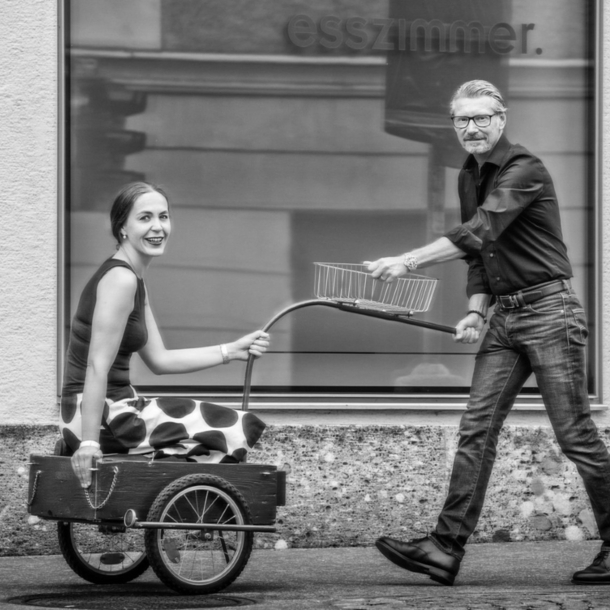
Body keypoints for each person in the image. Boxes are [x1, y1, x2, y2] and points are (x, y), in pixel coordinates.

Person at [366, 80, 610, 586]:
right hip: (505, 317)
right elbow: (481, 255)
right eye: (462, 120)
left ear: (501, 120)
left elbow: (482, 229)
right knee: (476, 429)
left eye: (481, 118)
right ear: (454, 125)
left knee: (577, 437)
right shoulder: (467, 175)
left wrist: (408, 260)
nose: (472, 128)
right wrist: (477, 310)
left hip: (550, 312)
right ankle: (443, 549)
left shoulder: (525, 169)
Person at [60, 182, 270, 489]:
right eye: (145, 218)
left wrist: (232, 350)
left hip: (105, 410)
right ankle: (185, 508)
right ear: (122, 228)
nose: (158, 227)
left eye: (164, 216)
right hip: (103, 416)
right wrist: (90, 443)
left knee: (194, 433)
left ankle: (165, 503)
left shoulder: (133, 278)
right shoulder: (121, 280)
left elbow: (160, 360)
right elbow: (97, 366)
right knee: (234, 425)